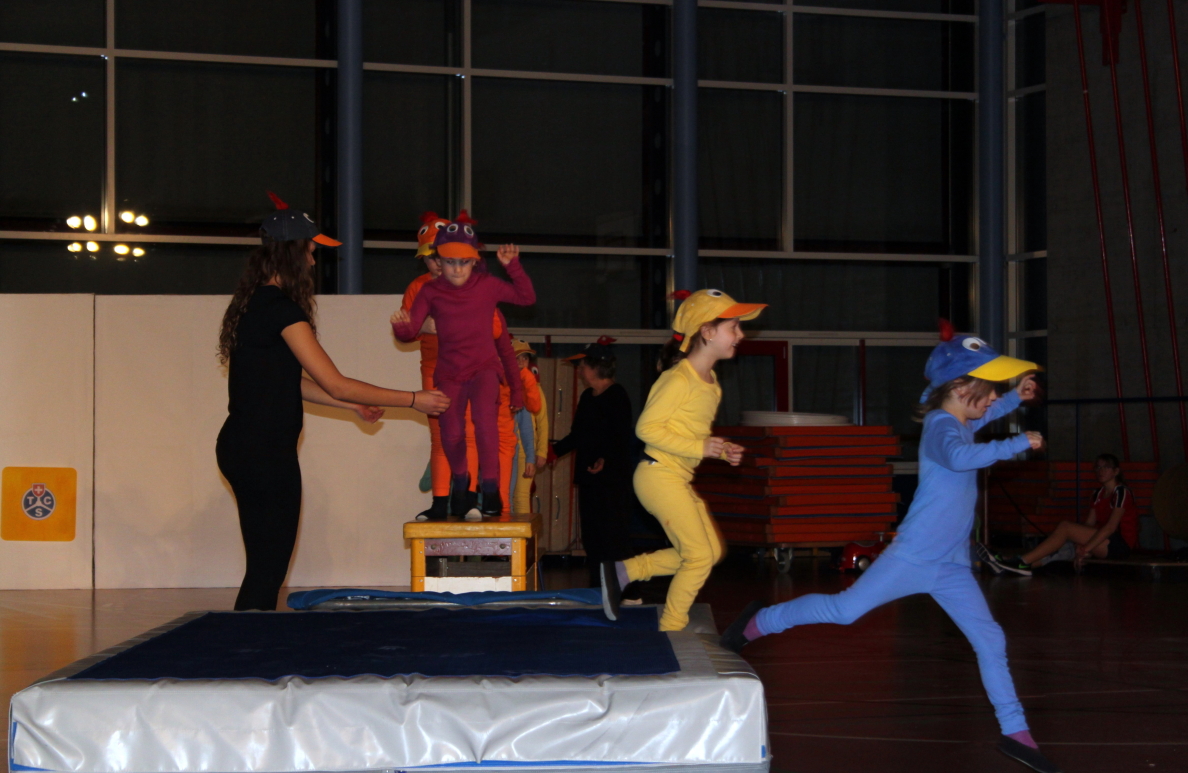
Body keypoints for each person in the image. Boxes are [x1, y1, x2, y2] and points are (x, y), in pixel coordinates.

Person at [718, 324, 1061, 773]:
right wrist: (1018, 441)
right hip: (913, 557)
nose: (994, 397)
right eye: (990, 388)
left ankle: (1016, 733)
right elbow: (961, 458)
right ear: (960, 388)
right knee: (844, 611)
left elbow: (985, 417)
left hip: (951, 565)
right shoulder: (941, 427)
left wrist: (1017, 395)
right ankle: (760, 622)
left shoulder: (963, 419)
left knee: (990, 639)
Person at [216, 204, 449, 612]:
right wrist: (414, 400)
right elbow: (335, 382)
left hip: (243, 446)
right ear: (291, 251)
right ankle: (248, 644)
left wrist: (356, 404)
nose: (312, 260)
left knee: (264, 565)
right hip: (264, 452)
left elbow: (291, 383)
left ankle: (248, 640)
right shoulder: (283, 311)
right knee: (268, 568)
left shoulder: (253, 304)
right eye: (309, 250)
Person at [598, 290, 766, 631]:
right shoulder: (678, 378)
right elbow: (646, 429)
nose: (740, 334)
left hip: (676, 476)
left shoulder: (711, 383)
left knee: (712, 552)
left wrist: (721, 449)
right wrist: (701, 447)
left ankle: (626, 571)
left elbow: (688, 433)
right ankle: (672, 626)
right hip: (658, 475)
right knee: (698, 556)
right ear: (707, 331)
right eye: (733, 327)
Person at [391, 212, 535, 517]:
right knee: (451, 433)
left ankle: (490, 487)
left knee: (484, 424)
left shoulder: (487, 285)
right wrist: (401, 327)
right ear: (438, 261)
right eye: (450, 261)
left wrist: (513, 266)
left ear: (474, 261)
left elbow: (526, 298)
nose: (457, 268)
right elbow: (409, 332)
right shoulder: (430, 290)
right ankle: (460, 477)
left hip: (484, 370)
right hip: (449, 374)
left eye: (464, 262)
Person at [552, 337, 637, 587]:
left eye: (583, 366)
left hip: (612, 480)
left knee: (614, 535)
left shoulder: (617, 395)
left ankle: (628, 589)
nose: (580, 370)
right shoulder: (587, 396)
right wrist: (551, 453)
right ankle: (598, 589)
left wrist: (605, 459)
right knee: (592, 536)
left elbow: (620, 436)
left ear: (596, 367)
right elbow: (577, 435)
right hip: (588, 478)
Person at [986, 452, 1137, 575]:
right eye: (1098, 467)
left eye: (1106, 467)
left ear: (1116, 471)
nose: (1101, 471)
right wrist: (1080, 545)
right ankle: (1011, 565)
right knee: (1064, 548)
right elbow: (1088, 525)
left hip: (1119, 544)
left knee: (1065, 527)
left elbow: (1110, 527)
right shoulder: (1097, 494)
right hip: (1103, 540)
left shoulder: (1122, 492)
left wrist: (1085, 548)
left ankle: (1021, 562)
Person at [510, 339, 547, 513]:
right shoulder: (503, 385)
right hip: (508, 448)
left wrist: (541, 451)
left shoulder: (534, 388)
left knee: (521, 496)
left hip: (526, 449)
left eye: (525, 358)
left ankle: (522, 531)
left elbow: (542, 420)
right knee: (507, 495)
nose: (521, 362)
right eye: (517, 358)